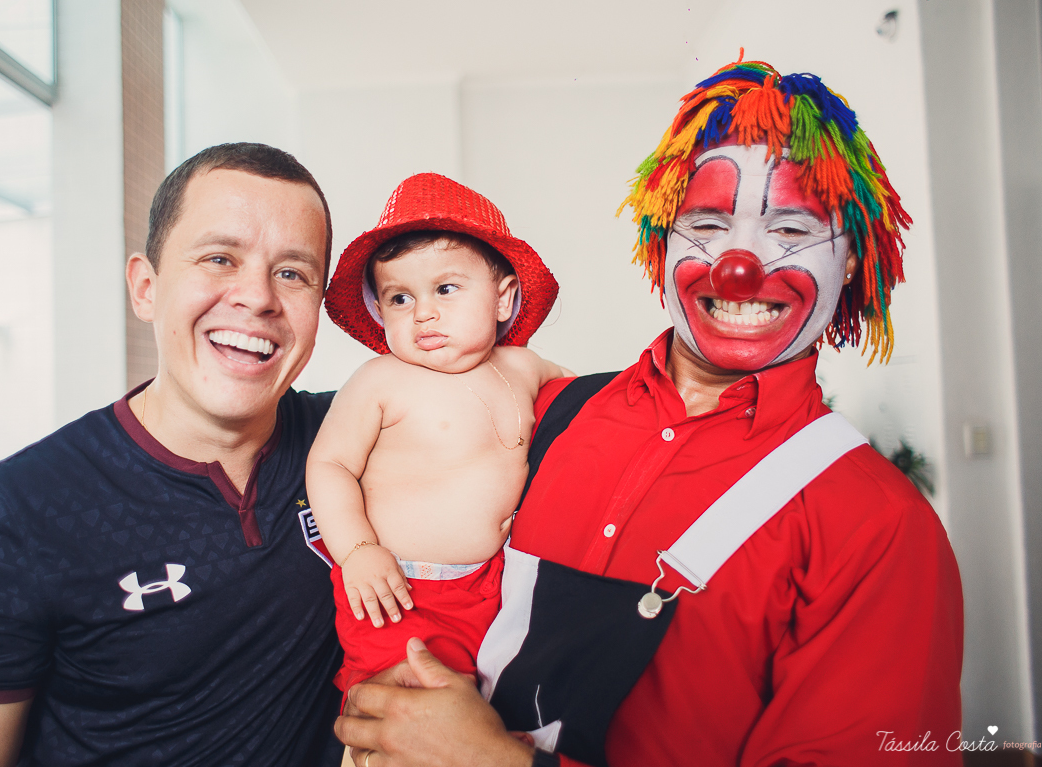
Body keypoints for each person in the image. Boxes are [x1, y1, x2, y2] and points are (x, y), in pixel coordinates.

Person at [335, 58, 964, 767]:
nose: (739, 266)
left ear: (851, 261)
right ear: (662, 241)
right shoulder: (554, 411)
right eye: (706, 223)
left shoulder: (877, 525)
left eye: (790, 230)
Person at [0, 143, 346, 767]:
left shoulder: (352, 441)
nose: (257, 297)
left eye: (293, 273)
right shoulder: (25, 508)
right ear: (146, 288)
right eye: (219, 258)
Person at [308, 173, 571, 697]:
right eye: (400, 298)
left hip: (497, 586)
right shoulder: (382, 380)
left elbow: (591, 408)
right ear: (379, 312)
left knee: (492, 704)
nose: (423, 312)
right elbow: (330, 465)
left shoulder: (525, 368)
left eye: (445, 289)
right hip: (397, 589)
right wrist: (358, 549)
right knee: (397, 705)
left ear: (502, 300)